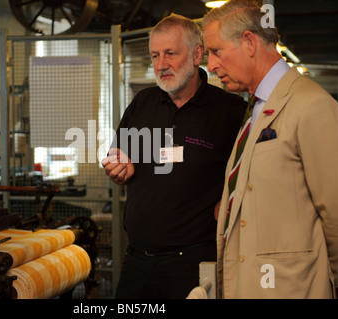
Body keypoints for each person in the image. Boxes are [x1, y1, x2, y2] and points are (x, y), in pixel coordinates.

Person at [201, 0, 338, 298]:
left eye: (216, 51)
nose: (211, 65)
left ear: (249, 42)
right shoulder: (256, 109)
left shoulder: (311, 106)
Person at [101, 14, 247, 299]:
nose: (161, 64)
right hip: (136, 261)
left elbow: (252, 173)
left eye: (171, 53)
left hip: (193, 265)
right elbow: (116, 156)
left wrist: (229, 199)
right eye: (155, 55)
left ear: (197, 54)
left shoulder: (229, 111)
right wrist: (117, 168)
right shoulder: (142, 103)